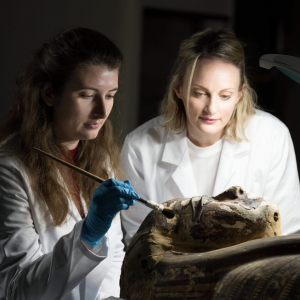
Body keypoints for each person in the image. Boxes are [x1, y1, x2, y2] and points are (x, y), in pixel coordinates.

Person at [120, 28, 300, 247]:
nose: (211, 109)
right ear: (179, 89)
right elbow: (139, 244)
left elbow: (285, 233)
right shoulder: (140, 147)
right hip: (169, 278)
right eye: (199, 93)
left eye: (225, 96)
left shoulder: (272, 137)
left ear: (240, 94)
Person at [0, 27, 139, 300]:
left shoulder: (100, 160)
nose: (101, 111)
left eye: (110, 95)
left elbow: (113, 261)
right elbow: (17, 290)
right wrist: (88, 233)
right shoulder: (9, 170)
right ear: (50, 93)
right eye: (87, 95)